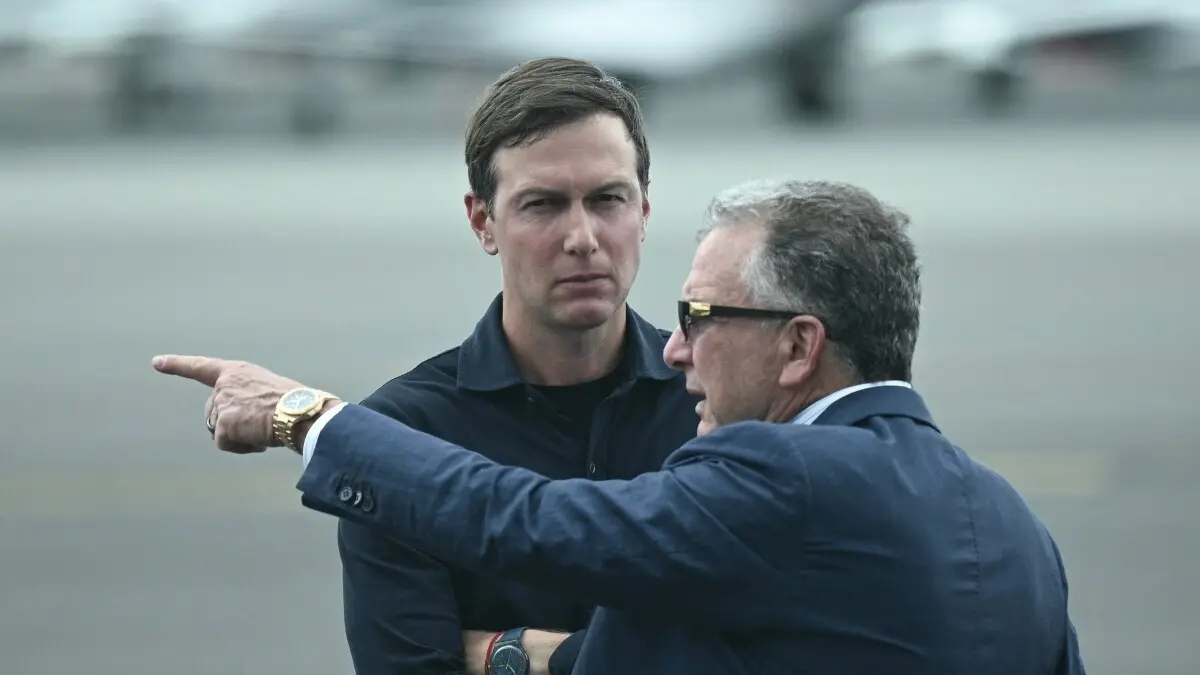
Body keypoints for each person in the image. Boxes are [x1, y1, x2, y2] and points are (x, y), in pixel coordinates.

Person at [153, 178, 1087, 675]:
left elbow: (525, 518)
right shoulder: (1014, 526)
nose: (675, 350)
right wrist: (524, 654)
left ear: (799, 346)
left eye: (700, 318)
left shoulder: (782, 477)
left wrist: (308, 418)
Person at [346, 57, 698, 675]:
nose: (583, 237)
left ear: (644, 211)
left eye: (608, 199)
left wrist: (507, 652)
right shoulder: (402, 434)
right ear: (483, 221)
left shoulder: (714, 405)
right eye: (543, 205)